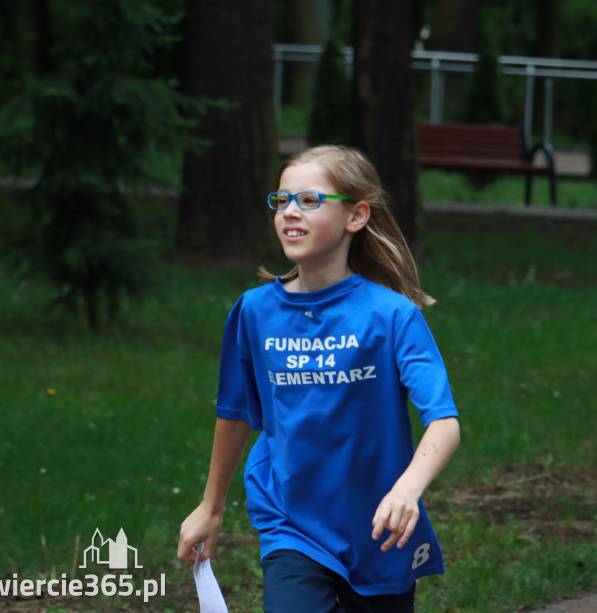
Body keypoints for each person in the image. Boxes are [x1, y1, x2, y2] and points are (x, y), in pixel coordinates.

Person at [177, 145, 460, 613]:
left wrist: (407, 489)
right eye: (282, 200)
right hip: (290, 521)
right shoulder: (254, 311)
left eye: (309, 201)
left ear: (356, 216)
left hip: (378, 527)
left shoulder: (392, 315)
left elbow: (444, 421)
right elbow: (235, 413)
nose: (290, 212)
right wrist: (210, 508)